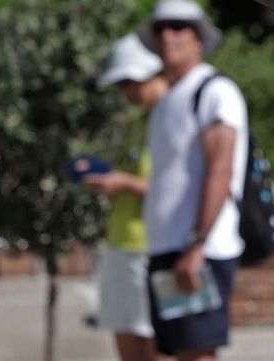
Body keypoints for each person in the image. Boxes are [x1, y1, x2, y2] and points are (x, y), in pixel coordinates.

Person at [137, 0, 248, 361]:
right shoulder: (169, 100)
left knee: (198, 351)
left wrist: (197, 244)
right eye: (160, 28)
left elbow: (222, 169)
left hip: (199, 249)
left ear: (199, 37)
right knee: (180, 351)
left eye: (178, 26)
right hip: (168, 248)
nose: (167, 35)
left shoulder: (214, 91)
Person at [85, 35, 170, 361]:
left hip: (154, 246)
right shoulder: (137, 123)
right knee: (125, 334)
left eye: (128, 82)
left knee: (158, 341)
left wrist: (124, 182)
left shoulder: (174, 119)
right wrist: (109, 180)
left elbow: (178, 190)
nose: (125, 92)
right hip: (121, 243)